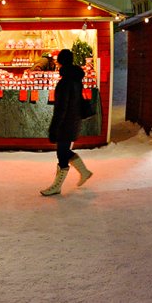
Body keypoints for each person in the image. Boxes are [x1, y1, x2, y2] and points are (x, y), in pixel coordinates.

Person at [41, 48, 93, 196]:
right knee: (63, 152)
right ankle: (84, 172)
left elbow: (61, 108)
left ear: (61, 62)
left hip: (66, 122)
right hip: (73, 119)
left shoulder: (65, 82)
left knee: (62, 153)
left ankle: (57, 186)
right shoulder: (76, 79)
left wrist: (54, 128)